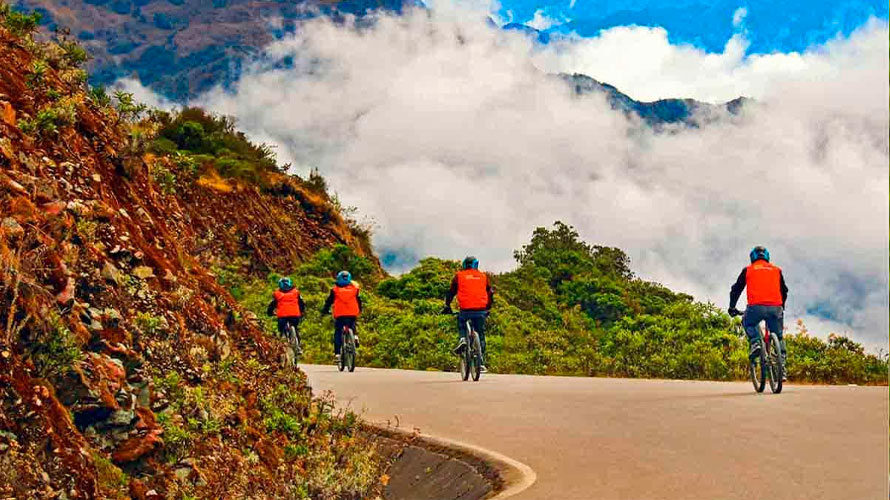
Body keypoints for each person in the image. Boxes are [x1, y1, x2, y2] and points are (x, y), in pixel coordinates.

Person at [728, 246, 789, 374]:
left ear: (752, 257)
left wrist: (732, 307)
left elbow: (736, 289)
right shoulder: (777, 270)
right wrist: (781, 306)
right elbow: (784, 290)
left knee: (748, 322)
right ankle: (782, 366)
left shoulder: (748, 270)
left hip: (755, 308)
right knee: (779, 336)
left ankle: (755, 342)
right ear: (767, 257)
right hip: (775, 308)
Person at [442, 256, 494, 372]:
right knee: (480, 333)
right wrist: (488, 308)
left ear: (465, 265)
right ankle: (480, 364)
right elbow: (490, 293)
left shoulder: (459, 276)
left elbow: (451, 292)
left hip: (465, 309)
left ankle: (462, 339)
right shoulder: (483, 276)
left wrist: (447, 306)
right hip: (481, 310)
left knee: (461, 321)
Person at [321, 270, 362, 364]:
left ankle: (337, 354)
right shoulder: (355, 289)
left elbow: (328, 302)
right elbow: (359, 301)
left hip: (340, 314)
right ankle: (355, 336)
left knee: (338, 331)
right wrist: (359, 310)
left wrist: (325, 311)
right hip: (352, 313)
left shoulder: (335, 290)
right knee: (352, 323)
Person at [267, 277, 305, 354]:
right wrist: (301, 312)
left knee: (281, 330)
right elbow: (301, 304)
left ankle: (281, 345)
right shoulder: (296, 293)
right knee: (295, 328)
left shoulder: (277, 294)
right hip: (295, 315)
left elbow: (272, 305)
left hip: (282, 316)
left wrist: (270, 313)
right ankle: (298, 347)